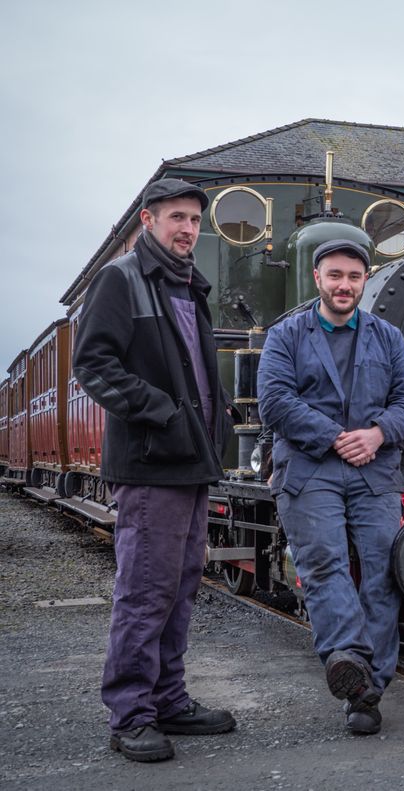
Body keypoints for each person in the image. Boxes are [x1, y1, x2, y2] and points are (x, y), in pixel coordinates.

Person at [72, 178, 236, 762]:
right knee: (145, 591)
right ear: (148, 220)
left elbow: (192, 370)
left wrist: (217, 418)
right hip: (151, 463)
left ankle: (168, 700)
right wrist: (164, 414)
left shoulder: (188, 284)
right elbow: (92, 364)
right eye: (176, 217)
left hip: (191, 461)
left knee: (180, 587)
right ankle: (130, 716)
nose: (188, 228)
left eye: (194, 219)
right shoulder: (120, 279)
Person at [257, 235, 404, 735]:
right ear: (318, 278)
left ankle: (368, 687)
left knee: (384, 572)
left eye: (353, 276)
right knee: (325, 564)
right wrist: (335, 437)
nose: (344, 285)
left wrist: (377, 433)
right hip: (310, 468)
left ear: (365, 280)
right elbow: (275, 402)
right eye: (335, 275)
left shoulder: (388, 337)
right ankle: (349, 665)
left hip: (374, 467)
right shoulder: (285, 336)